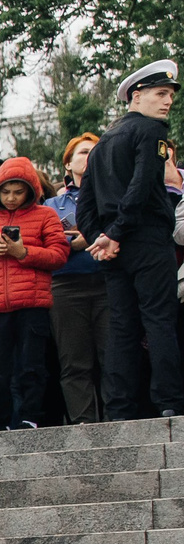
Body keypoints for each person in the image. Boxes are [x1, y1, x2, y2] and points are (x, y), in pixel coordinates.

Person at [78, 58, 184, 419]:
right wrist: (115, 234)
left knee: (122, 327)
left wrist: (101, 238)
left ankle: (119, 408)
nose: (167, 101)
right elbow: (140, 187)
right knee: (158, 319)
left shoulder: (103, 142)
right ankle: (169, 401)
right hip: (146, 239)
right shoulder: (152, 130)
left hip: (114, 248)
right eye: (160, 93)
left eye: (170, 94)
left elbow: (84, 205)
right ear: (136, 96)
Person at [0, 156, 71, 430]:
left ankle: (29, 417)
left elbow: (59, 255)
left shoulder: (46, 215)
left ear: (31, 190)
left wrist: (23, 253)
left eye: (18, 192)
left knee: (31, 366)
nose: (11, 198)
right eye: (6, 192)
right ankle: (0, 421)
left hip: (33, 303)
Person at [49, 135, 108, 424]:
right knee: (74, 361)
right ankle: (83, 423)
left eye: (95, 152)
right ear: (68, 163)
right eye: (83, 152)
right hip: (66, 285)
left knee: (114, 357)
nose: (89, 156)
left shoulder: (113, 194)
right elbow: (45, 245)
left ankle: (118, 417)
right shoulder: (51, 204)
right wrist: (71, 244)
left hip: (108, 282)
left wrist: (92, 238)